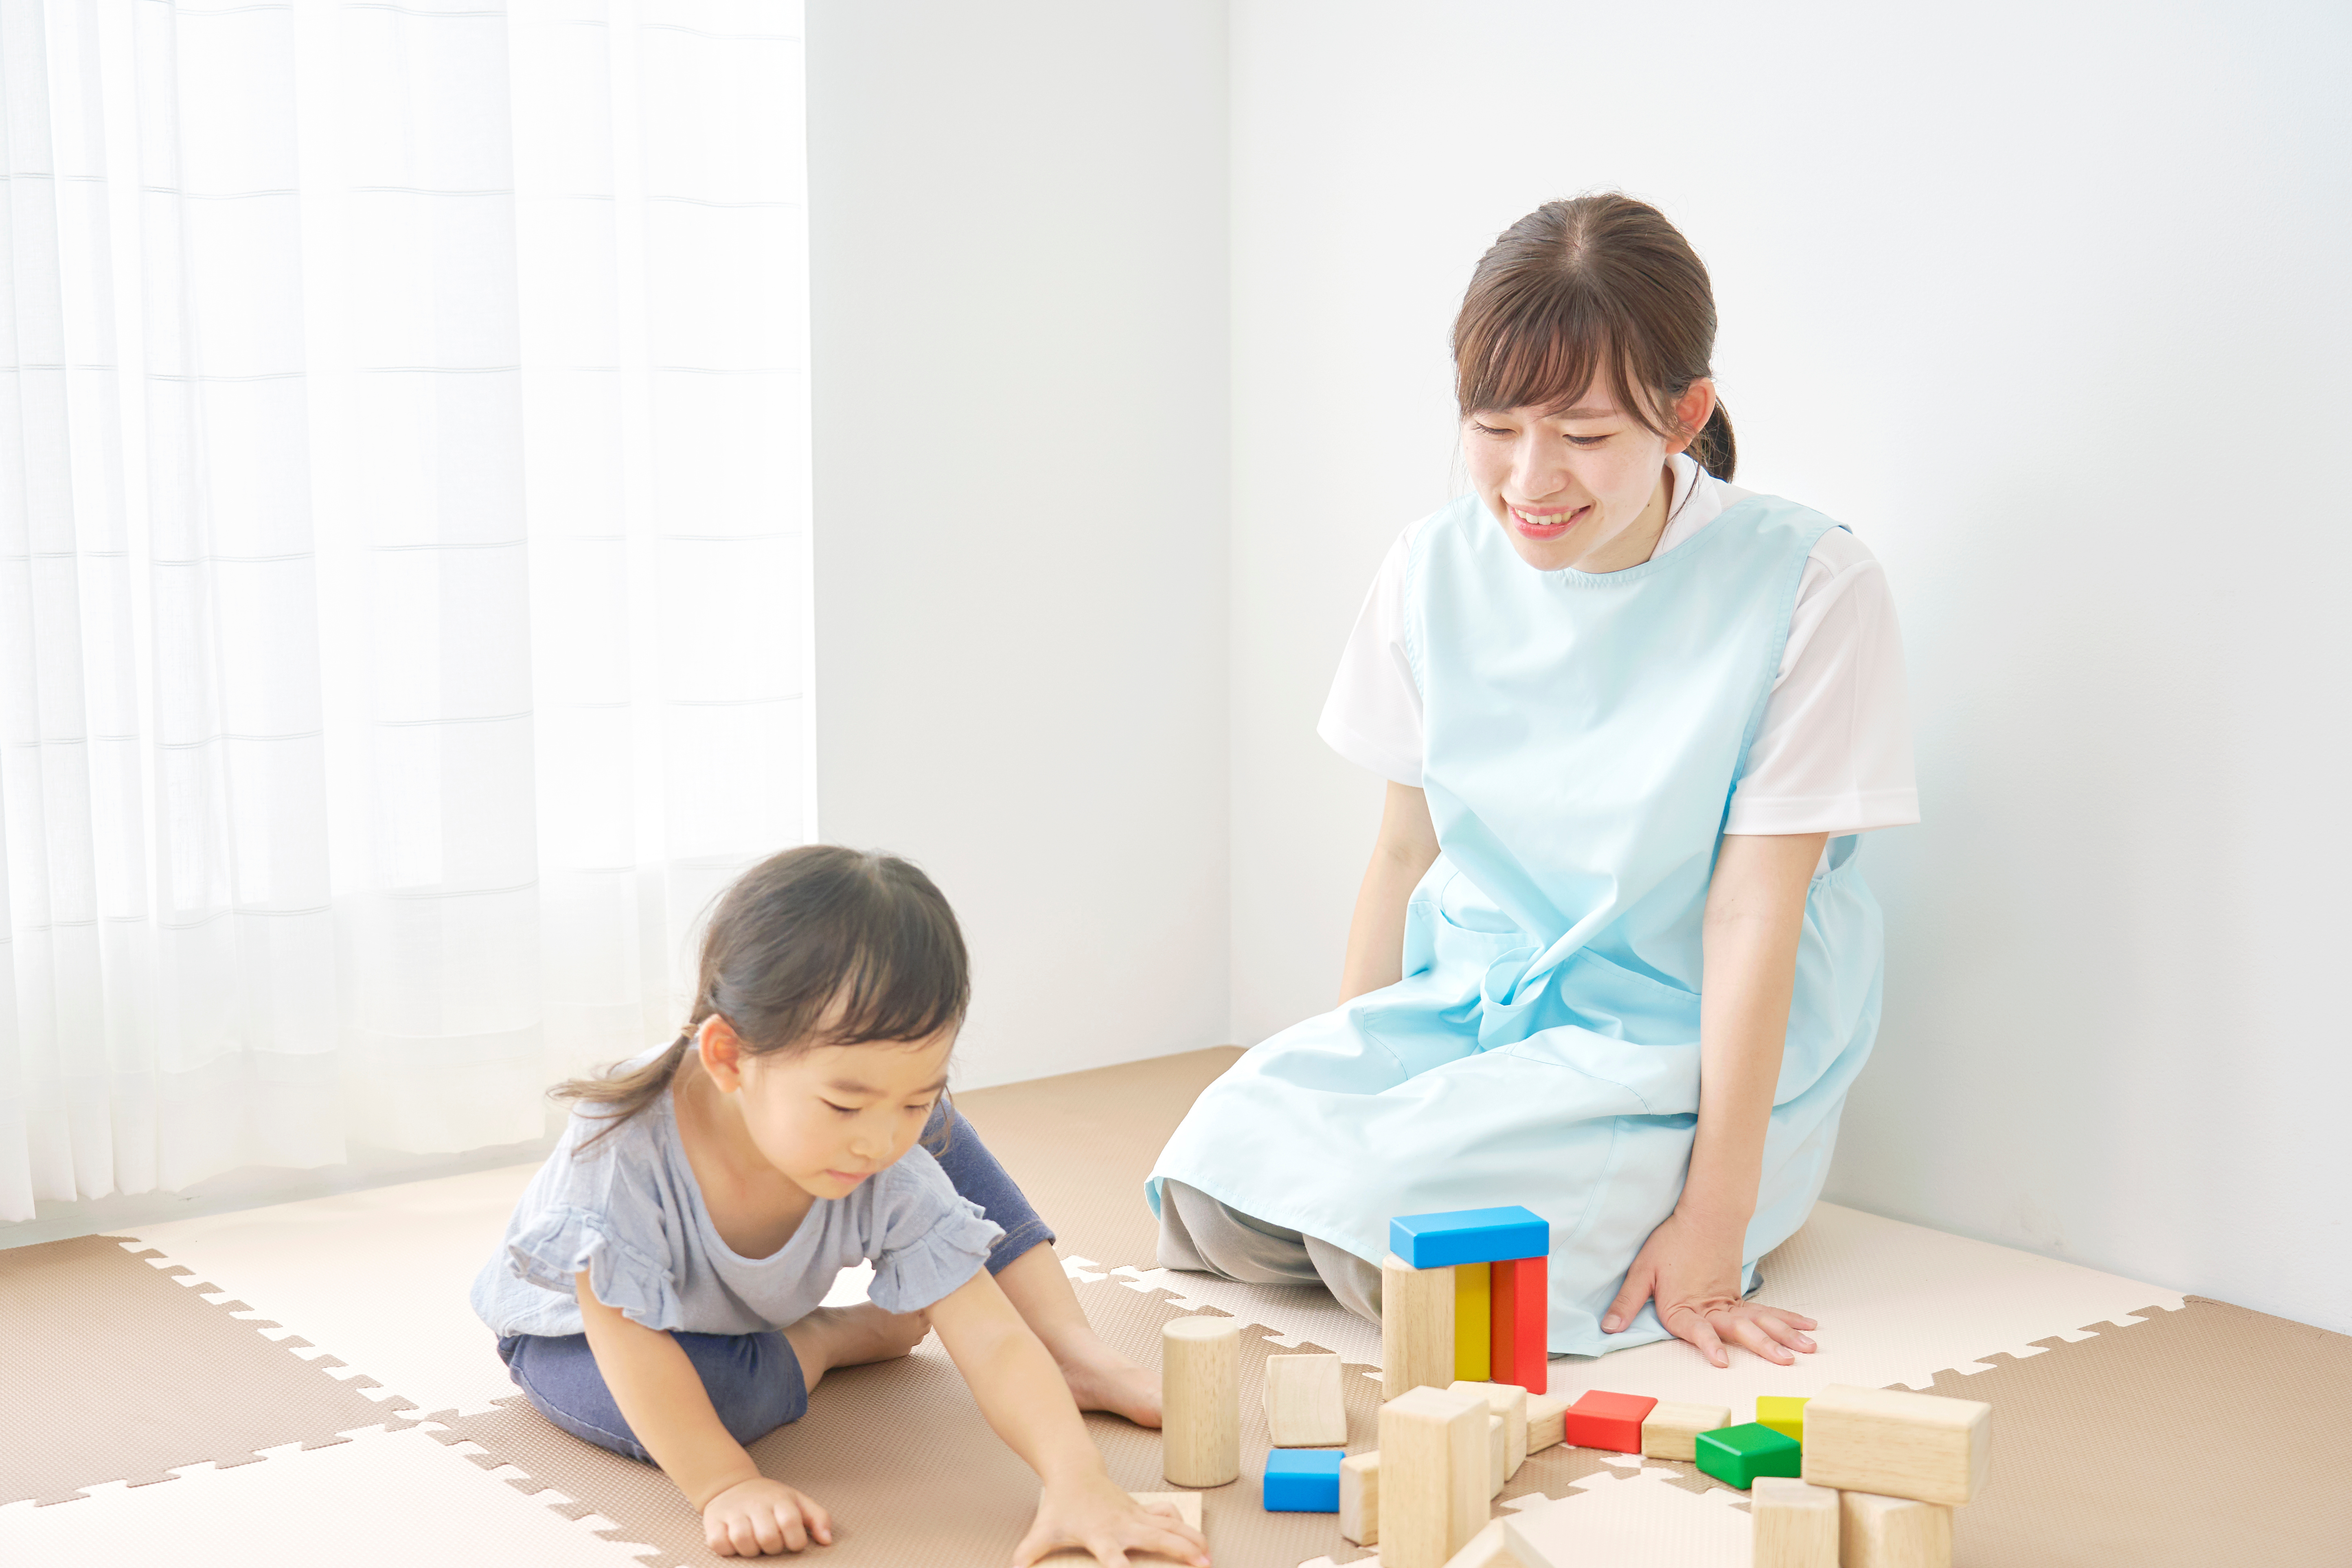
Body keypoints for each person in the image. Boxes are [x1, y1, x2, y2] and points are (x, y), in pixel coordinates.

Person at [1149, 193, 1917, 1371]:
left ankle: (1460, 1213)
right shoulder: (1432, 564)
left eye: (1584, 435)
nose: (1530, 477)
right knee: (1215, 1177)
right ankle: (1390, 1193)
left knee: (1397, 1235)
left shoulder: (1812, 583)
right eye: (1494, 427)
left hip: (1671, 1046)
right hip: (1474, 1008)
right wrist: (1348, 1085)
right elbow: (1403, 852)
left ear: (1685, 415)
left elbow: (1753, 913)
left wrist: (1713, 1226)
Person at [472, 846, 1205, 1566]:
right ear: (728, 1058)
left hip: (739, 1309)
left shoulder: (885, 1159)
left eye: (915, 1099)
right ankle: (825, 1340)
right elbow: (628, 1340)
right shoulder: (622, 1147)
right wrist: (725, 1484)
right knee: (697, 1408)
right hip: (579, 1330)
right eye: (845, 1104)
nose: (879, 1142)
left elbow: (993, 1336)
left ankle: (1068, 1354)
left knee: (939, 1142)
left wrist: (1079, 1480)